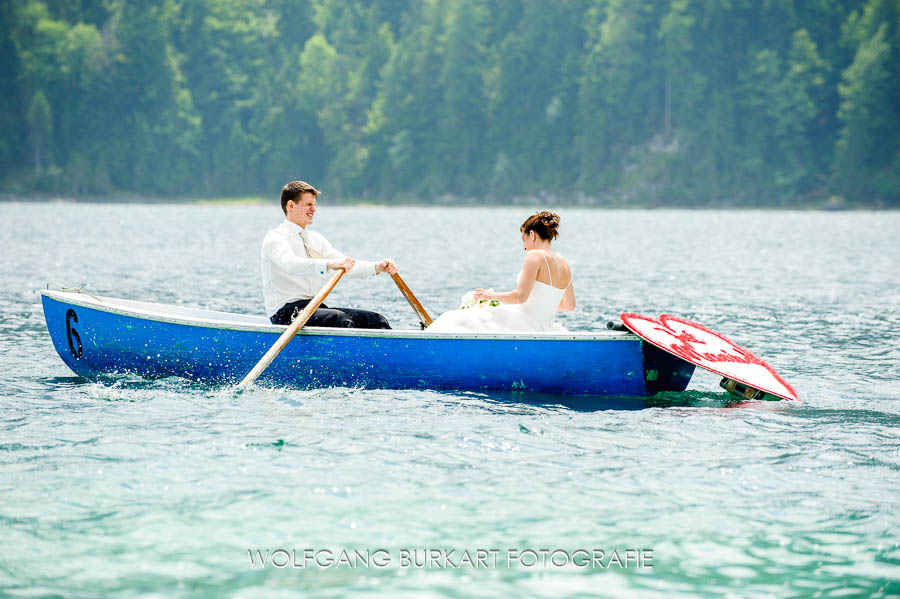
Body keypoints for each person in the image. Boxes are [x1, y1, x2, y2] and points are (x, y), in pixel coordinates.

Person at [261, 180, 397, 328]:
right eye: (308, 205)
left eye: (314, 205)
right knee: (340, 320)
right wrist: (329, 264)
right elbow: (291, 265)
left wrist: (378, 267)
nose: (313, 209)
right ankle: (350, 351)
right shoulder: (275, 237)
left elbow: (346, 263)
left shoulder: (316, 239)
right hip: (285, 314)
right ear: (291, 205)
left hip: (314, 308)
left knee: (375, 320)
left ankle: (390, 350)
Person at [427, 211, 575, 333]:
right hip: (547, 328)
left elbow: (519, 297)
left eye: (524, 239)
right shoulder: (565, 263)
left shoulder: (534, 256)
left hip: (524, 323)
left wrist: (490, 296)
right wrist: (542, 304)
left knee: (452, 319)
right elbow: (569, 305)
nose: (524, 247)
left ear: (532, 234)